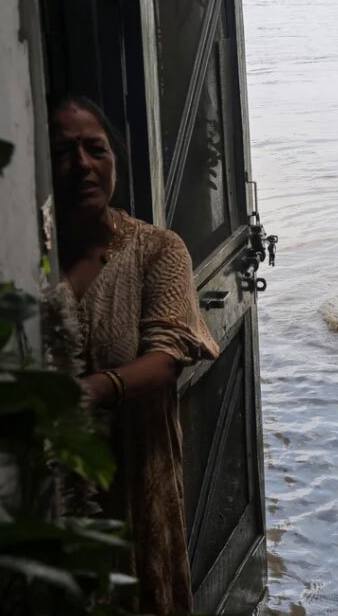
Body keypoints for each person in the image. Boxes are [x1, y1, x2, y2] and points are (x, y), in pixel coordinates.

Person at [47, 95, 219, 615]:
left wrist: (92, 392)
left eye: (95, 149)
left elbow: (168, 356)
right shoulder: (28, 257)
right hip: (47, 483)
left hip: (134, 479)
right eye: (63, 151)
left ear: (116, 159)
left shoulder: (157, 250)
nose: (81, 165)